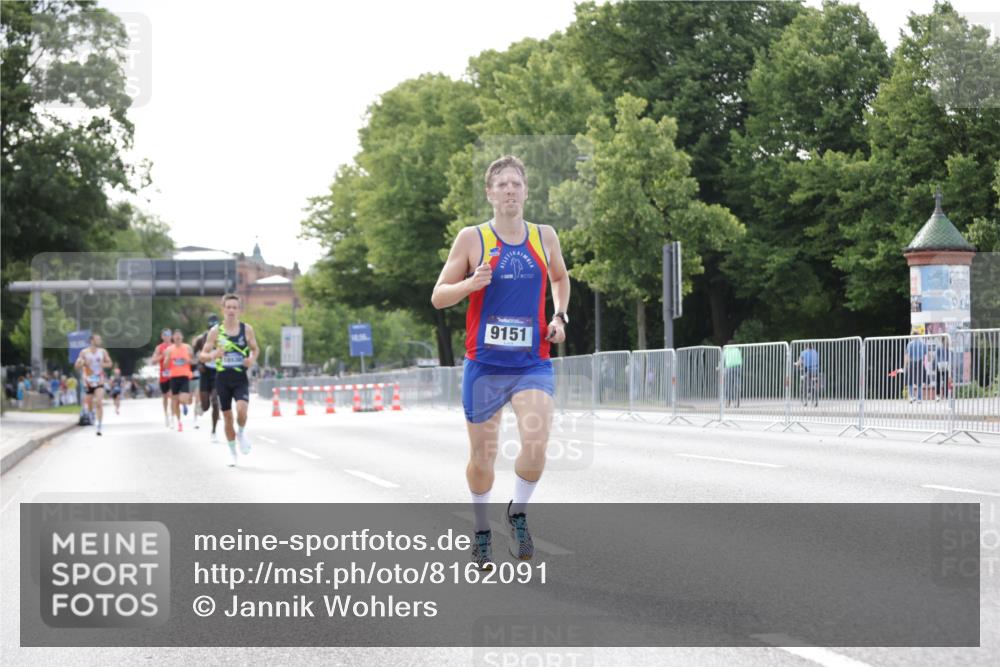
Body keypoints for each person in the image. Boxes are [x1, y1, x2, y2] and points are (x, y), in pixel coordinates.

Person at [432, 155, 570, 570]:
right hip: (485, 365)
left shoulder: (545, 236)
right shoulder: (471, 239)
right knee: (482, 459)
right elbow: (438, 296)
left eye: (517, 184)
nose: (510, 190)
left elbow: (561, 279)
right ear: (490, 194)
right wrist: (469, 283)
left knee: (536, 442)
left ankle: (518, 513)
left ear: (526, 192)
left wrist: (559, 316)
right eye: (502, 184)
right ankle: (480, 530)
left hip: (532, 362)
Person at [199, 294, 259, 466]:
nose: (231, 310)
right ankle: (233, 453)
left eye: (235, 307)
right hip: (222, 379)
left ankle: (241, 432)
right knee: (227, 417)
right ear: (223, 309)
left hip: (240, 378)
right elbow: (202, 356)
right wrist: (213, 354)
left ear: (239, 309)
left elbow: (255, 349)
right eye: (228, 307)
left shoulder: (246, 329)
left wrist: (251, 360)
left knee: (242, 411)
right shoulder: (215, 331)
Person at [74, 334, 112, 435]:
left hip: (99, 379)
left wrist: (103, 364)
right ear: (91, 340)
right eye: (97, 339)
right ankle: (92, 414)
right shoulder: (84, 352)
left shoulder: (102, 352)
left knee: (99, 402)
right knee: (89, 403)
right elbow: (77, 365)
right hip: (88, 380)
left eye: (100, 339)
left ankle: (99, 426)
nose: (100, 340)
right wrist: (83, 363)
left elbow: (110, 363)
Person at [192, 315, 222, 441]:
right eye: (210, 328)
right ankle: (200, 405)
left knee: (215, 401)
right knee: (206, 407)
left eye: (214, 328)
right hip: (205, 372)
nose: (212, 331)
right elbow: (192, 356)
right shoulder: (201, 339)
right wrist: (198, 365)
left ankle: (214, 431)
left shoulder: (223, 338)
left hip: (218, 372)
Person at [163, 329, 194, 431]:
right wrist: (167, 359)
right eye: (175, 337)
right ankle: (178, 421)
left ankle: (184, 404)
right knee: (174, 400)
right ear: (173, 339)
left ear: (182, 338)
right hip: (174, 377)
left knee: (183, 399)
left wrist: (187, 360)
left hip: (185, 376)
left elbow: (192, 361)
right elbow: (165, 365)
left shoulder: (187, 348)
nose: (177, 339)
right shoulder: (169, 349)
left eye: (179, 337)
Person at [151, 328, 174, 427]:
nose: (167, 336)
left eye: (168, 334)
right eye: (165, 334)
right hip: (163, 375)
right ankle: (166, 415)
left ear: (171, 336)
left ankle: (173, 416)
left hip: (174, 374)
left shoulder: (174, 346)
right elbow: (153, 361)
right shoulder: (159, 347)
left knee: (173, 395)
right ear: (162, 336)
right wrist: (162, 356)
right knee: (165, 396)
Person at [904, 335, 928, 403]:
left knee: (910, 381)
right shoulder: (923, 344)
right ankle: (919, 398)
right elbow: (927, 356)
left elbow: (907, 356)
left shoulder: (910, 344)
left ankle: (911, 396)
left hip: (911, 362)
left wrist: (905, 366)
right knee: (919, 381)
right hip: (920, 362)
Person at [723, 341, 743, 408]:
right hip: (738, 367)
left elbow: (723, 359)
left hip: (729, 368)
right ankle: (737, 403)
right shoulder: (737, 349)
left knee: (728, 386)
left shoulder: (726, 349)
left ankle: (728, 403)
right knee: (737, 385)